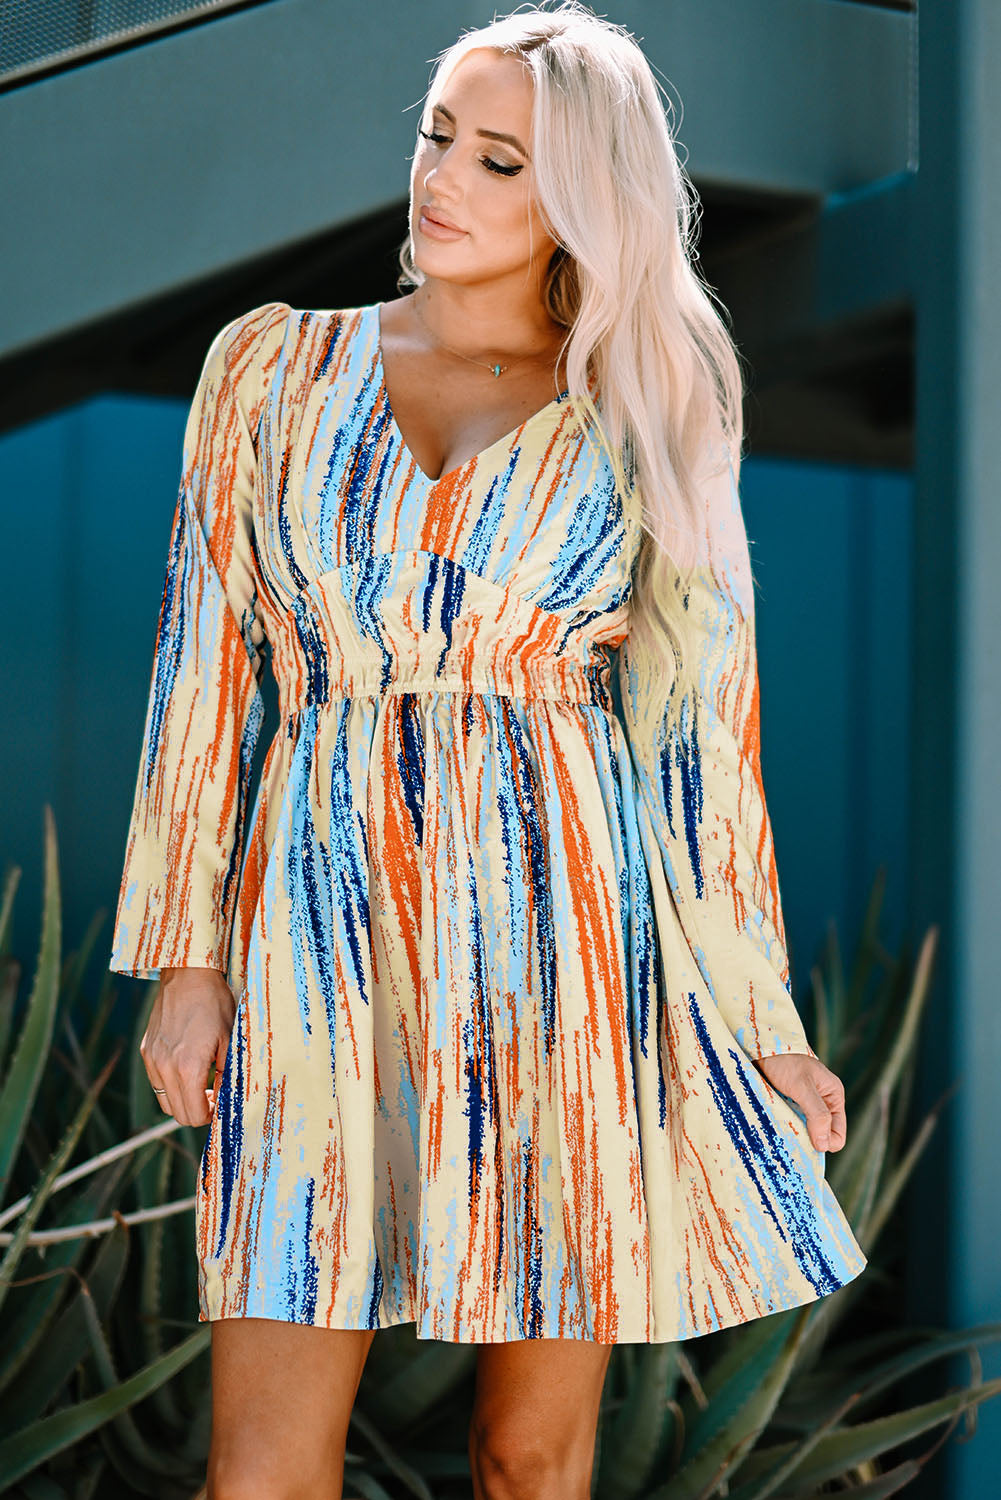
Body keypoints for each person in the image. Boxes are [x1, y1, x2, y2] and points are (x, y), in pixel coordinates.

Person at [108, 3, 867, 1496]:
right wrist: (187, 962)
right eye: (438, 134)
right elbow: (200, 673)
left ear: (581, 197)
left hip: (563, 953)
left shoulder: (645, 410)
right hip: (316, 940)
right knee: (258, 1472)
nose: (441, 177)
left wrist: (759, 1017)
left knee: (528, 1459)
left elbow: (700, 743)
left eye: (499, 160)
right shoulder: (270, 371)